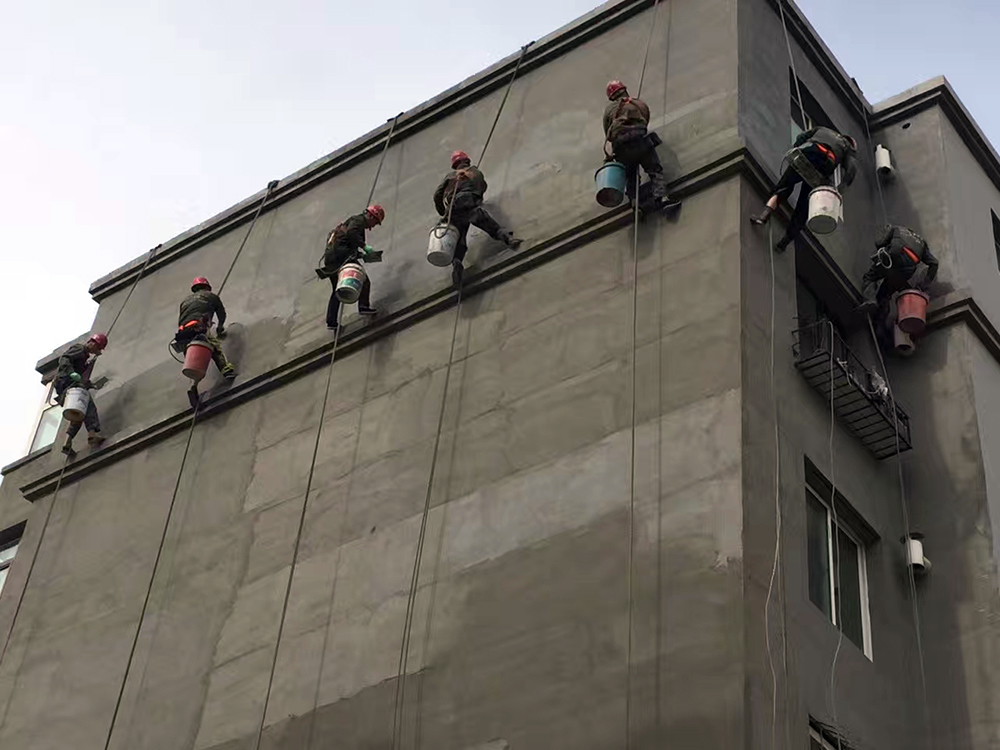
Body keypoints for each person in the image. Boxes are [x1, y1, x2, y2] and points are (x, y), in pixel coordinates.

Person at [750, 126, 859, 252]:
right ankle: (784, 242)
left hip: (809, 153)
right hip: (824, 166)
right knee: (803, 208)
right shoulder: (847, 147)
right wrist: (840, 189)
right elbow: (851, 169)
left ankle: (763, 216)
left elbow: (801, 136)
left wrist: (796, 147)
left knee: (784, 186)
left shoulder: (823, 129)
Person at [433, 151, 521, 287]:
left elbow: (437, 195)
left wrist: (443, 212)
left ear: (455, 165)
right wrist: (477, 196)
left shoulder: (450, 176)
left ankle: (457, 264)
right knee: (488, 223)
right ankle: (509, 239)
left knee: (459, 238)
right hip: (469, 202)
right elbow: (482, 187)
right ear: (467, 161)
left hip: (454, 210)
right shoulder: (475, 172)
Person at [603, 80, 679, 211]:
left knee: (631, 177)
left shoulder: (608, 111)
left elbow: (608, 134)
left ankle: (635, 206)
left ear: (611, 97)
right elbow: (645, 117)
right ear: (624, 90)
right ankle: (662, 198)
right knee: (654, 170)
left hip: (621, 148)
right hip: (640, 141)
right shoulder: (634, 102)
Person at [322, 205, 385, 330]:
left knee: (337, 289)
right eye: (375, 222)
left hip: (331, 259)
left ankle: (331, 322)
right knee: (363, 279)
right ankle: (363, 306)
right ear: (370, 216)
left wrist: (361, 255)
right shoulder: (358, 221)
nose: (373, 226)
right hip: (341, 257)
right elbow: (352, 233)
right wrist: (364, 246)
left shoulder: (351, 223)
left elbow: (348, 241)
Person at [858, 224, 939, 315]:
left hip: (891, 259)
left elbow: (879, 243)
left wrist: (883, 246)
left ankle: (870, 300)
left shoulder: (897, 229)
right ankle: (880, 318)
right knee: (885, 293)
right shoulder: (922, 243)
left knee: (870, 278)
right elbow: (934, 263)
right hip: (905, 271)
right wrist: (922, 285)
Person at [54, 333, 108, 456]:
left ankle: (67, 442)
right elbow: (64, 359)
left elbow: (81, 378)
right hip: (65, 381)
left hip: (68, 384)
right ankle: (92, 435)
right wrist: (71, 373)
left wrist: (91, 384)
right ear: (92, 343)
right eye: (97, 347)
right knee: (88, 405)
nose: (96, 350)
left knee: (79, 412)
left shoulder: (84, 358)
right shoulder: (80, 349)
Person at [175, 277, 236, 380]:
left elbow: (182, 318)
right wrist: (220, 328)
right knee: (214, 347)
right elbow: (222, 314)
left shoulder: (185, 301)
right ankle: (226, 371)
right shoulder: (211, 296)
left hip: (182, 332)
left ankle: (194, 381)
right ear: (207, 287)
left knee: (192, 352)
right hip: (198, 326)